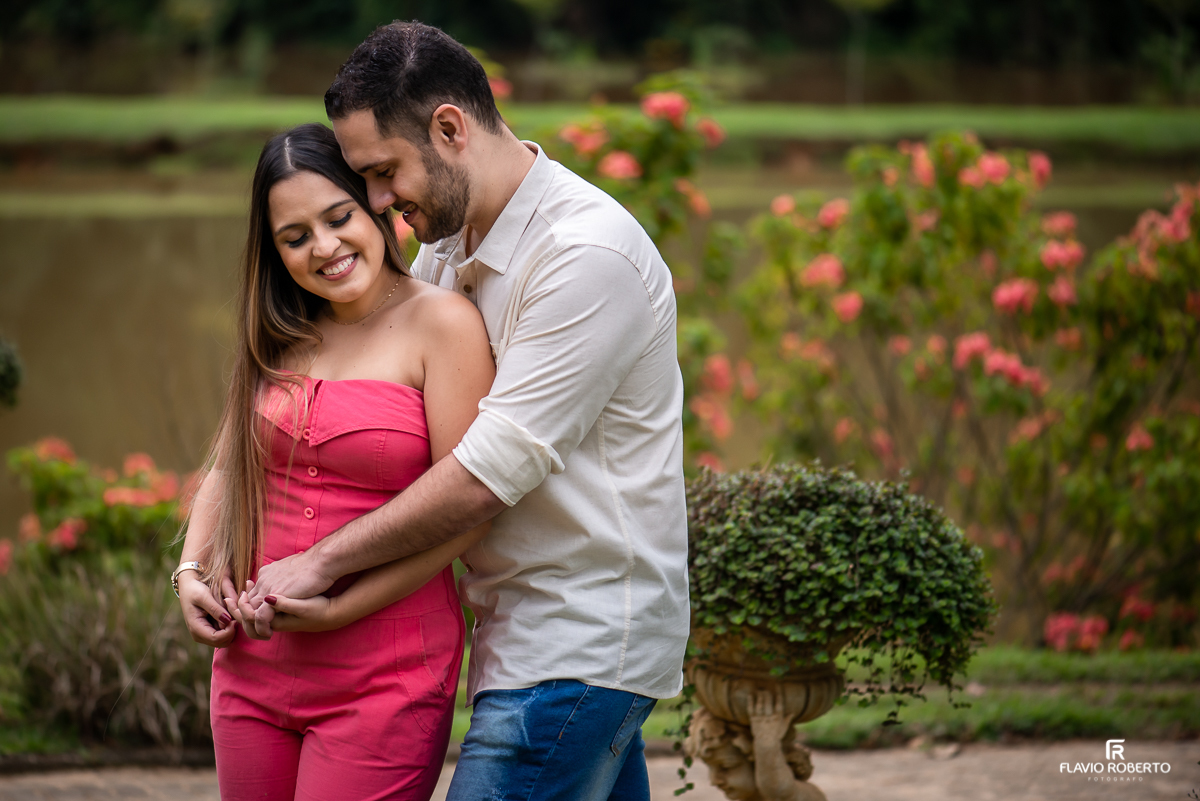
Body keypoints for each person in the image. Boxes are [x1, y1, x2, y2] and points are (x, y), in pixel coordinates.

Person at [243, 20, 691, 801]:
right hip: (515, 632)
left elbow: (484, 475)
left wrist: (319, 563)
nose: (378, 201)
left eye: (384, 173)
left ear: (449, 128)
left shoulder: (585, 256)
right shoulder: (450, 242)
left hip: (575, 641)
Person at [174, 121, 495, 801]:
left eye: (338, 216)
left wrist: (337, 611)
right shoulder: (278, 329)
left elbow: (466, 516)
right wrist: (191, 569)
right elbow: (231, 466)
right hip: (251, 664)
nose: (324, 248)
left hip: (387, 672)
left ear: (374, 205)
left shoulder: (445, 324)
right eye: (295, 237)